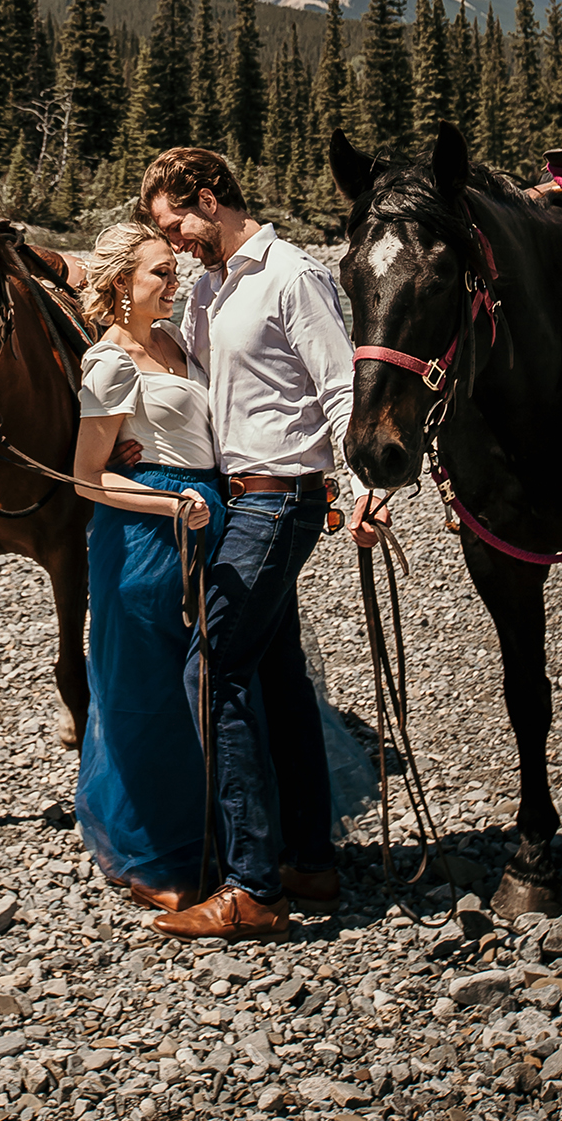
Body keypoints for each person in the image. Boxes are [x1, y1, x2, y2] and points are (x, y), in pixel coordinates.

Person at [139, 144, 391, 942]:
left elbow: (341, 386)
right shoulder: (209, 290)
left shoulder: (292, 274)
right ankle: (309, 861)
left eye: (173, 220)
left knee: (211, 669)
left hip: (279, 503)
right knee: (278, 678)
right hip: (236, 501)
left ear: (209, 197)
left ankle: (252, 884)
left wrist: (361, 492)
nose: (173, 239)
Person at [70, 218, 226, 915]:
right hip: (144, 536)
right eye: (159, 272)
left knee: (206, 683)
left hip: (205, 513)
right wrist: (169, 505)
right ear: (119, 286)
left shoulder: (174, 339)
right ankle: (154, 850)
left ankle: (215, 828)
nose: (175, 279)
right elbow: (85, 478)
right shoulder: (110, 361)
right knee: (147, 690)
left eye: (173, 267)